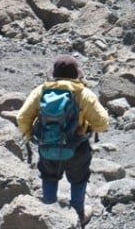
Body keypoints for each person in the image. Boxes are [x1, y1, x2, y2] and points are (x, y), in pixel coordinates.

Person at [17, 55, 109, 226]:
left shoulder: (41, 91)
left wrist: (30, 135)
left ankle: (49, 213)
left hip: (47, 146)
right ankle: (78, 214)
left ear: (54, 74)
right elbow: (103, 123)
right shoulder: (83, 94)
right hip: (77, 147)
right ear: (76, 75)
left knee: (49, 177)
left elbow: (22, 117)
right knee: (79, 178)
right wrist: (88, 127)